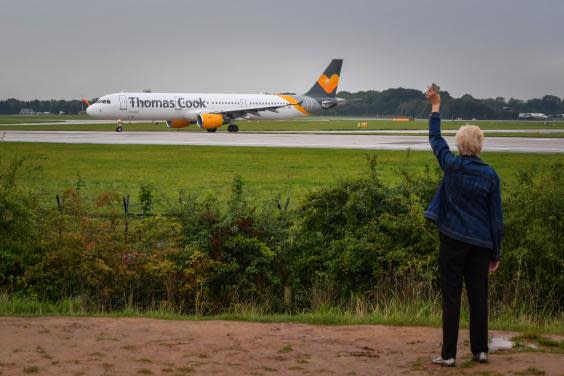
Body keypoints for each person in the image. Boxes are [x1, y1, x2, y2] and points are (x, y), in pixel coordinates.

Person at [423, 87, 503, 367]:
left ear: (459, 145)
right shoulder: (491, 175)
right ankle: (480, 351)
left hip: (453, 239)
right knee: (479, 297)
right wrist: (497, 252)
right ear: (480, 145)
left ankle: (448, 355)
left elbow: (435, 140)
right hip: (481, 243)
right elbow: (496, 217)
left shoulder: (452, 166)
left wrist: (436, 107)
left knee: (451, 296)